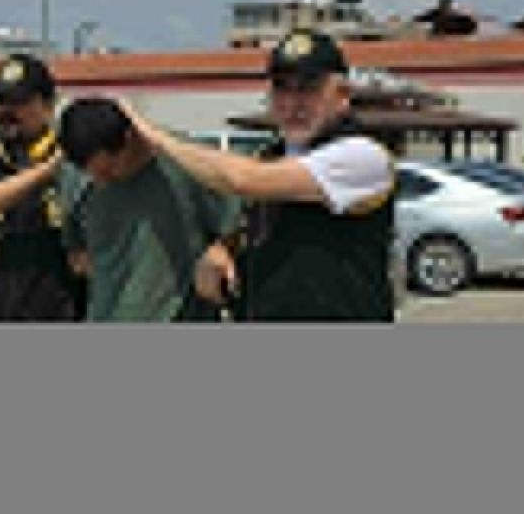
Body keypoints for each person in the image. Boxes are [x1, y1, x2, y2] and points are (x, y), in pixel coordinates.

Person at [120, 29, 398, 322]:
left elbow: (242, 180)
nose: (292, 103)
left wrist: (154, 137)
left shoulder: (360, 157)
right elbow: (259, 225)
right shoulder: (272, 156)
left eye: (308, 89)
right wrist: (223, 250)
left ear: (342, 95)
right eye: (282, 88)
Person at [57, 98, 240, 322]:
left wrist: (220, 248)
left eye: (109, 171)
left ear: (129, 138)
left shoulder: (185, 162)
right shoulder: (73, 177)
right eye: (92, 174)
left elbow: (235, 219)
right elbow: (76, 253)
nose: (101, 181)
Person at [0, 54, 87, 321]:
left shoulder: (76, 158)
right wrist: (45, 172)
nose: (6, 112)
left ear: (48, 105)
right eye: (0, 101)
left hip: (55, 310)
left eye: (18, 102)